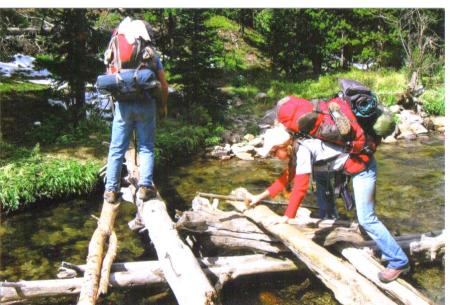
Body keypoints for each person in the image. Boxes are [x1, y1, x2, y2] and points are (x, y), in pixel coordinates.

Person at [247, 125, 410, 283]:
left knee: (366, 219)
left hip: (363, 168)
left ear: (283, 146)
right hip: (347, 166)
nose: (274, 156)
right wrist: (259, 197)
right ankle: (333, 226)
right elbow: (286, 178)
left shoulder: (303, 150)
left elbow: (301, 187)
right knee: (324, 190)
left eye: (274, 152)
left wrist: (287, 217)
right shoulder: (298, 147)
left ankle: (398, 261)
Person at [103, 18, 169, 203]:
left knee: (116, 148)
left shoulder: (114, 50)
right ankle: (145, 187)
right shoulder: (150, 54)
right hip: (146, 105)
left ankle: (111, 190)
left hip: (123, 105)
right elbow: (163, 84)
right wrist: (163, 105)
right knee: (146, 146)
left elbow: (110, 76)